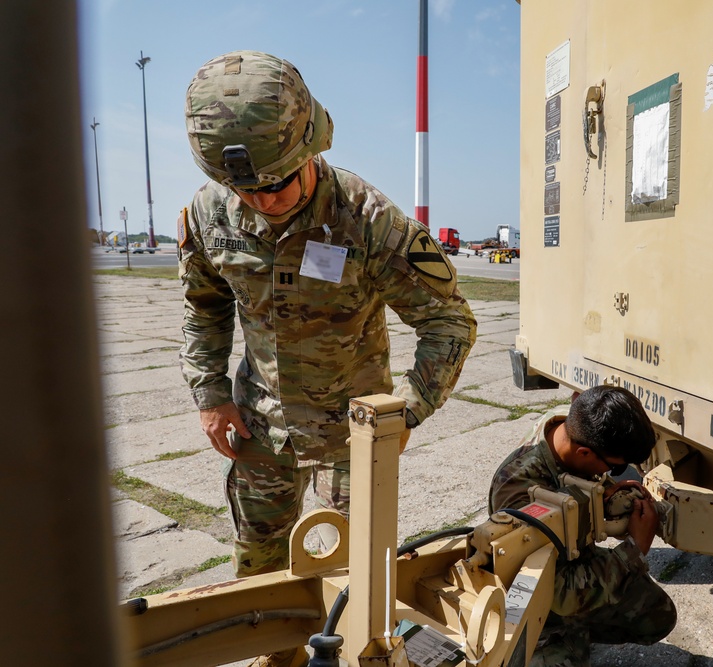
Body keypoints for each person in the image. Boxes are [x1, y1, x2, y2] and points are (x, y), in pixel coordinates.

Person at [179, 51, 477, 667]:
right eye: (244, 189)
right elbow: (203, 307)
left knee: (356, 584)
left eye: (276, 184)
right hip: (260, 428)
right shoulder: (208, 216)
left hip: (352, 438)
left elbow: (449, 320)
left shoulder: (368, 223)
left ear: (313, 145)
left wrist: (405, 415)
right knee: (258, 573)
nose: (262, 203)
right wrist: (210, 396)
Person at [489, 385, 676, 667]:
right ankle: (557, 639)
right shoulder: (518, 492)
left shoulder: (571, 435)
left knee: (658, 616)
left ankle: (579, 628)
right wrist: (635, 549)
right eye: (614, 468)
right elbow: (555, 591)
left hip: (575, 566)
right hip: (534, 600)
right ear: (585, 453)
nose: (611, 474)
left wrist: (606, 494)